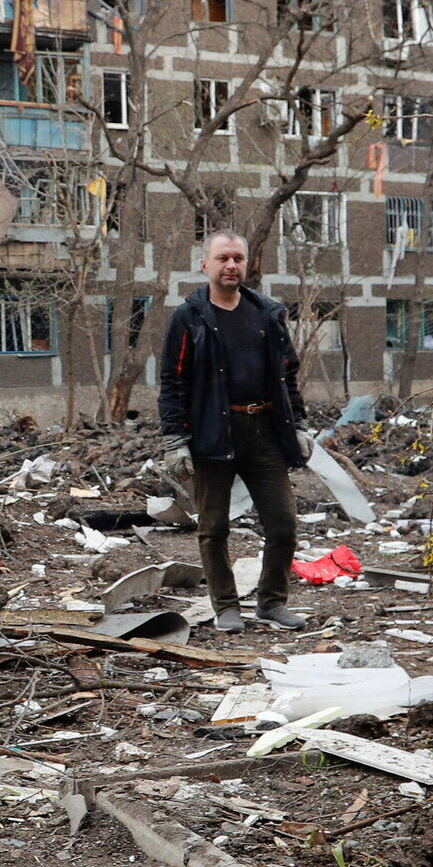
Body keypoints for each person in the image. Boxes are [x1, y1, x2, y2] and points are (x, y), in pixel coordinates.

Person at [157, 230, 312, 633]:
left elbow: (287, 374)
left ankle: (272, 602)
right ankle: (226, 606)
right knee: (214, 526)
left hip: (265, 431)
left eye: (238, 258)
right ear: (204, 264)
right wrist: (176, 441)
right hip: (213, 432)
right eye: (222, 258)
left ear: (246, 264)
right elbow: (172, 382)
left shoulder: (266, 314)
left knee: (282, 524)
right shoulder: (189, 318)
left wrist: (298, 425)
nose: (231, 265)